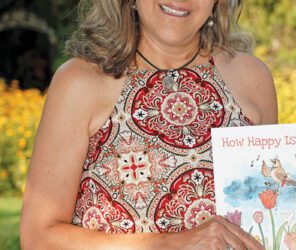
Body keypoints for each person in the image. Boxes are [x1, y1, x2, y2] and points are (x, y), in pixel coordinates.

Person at [19, 0, 276, 249]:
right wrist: (173, 244)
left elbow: (273, 214)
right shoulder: (79, 82)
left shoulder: (252, 78)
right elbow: (38, 237)